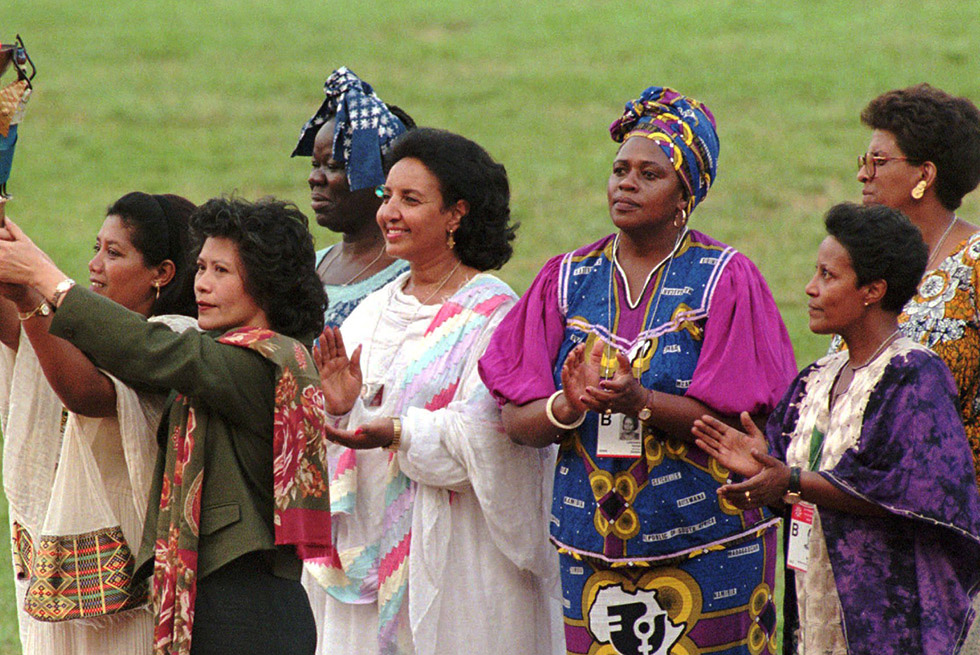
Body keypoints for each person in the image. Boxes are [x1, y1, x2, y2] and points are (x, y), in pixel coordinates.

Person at [479, 87, 798, 655]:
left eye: (649, 173)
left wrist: (640, 402)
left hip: (708, 546)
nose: (625, 183)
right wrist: (569, 405)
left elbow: (735, 420)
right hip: (591, 554)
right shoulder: (566, 278)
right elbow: (518, 422)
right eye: (619, 169)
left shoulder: (725, 279)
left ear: (686, 194)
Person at [0, 195, 333, 655]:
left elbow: (147, 349)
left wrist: (44, 278)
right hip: (221, 607)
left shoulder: (261, 361)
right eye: (200, 267)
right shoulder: (233, 355)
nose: (202, 284)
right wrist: (24, 288)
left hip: (248, 613)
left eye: (221, 271)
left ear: (266, 283)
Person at [305, 127, 563, 655]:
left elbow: (490, 435)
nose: (388, 213)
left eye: (410, 199)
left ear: (456, 214)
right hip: (366, 550)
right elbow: (344, 430)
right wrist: (341, 406)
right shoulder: (374, 310)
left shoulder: (494, 316)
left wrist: (400, 432)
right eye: (386, 196)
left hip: (458, 558)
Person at [694, 202, 980, 655]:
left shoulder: (914, 376)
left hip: (887, 622)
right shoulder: (816, 378)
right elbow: (795, 487)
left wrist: (789, 479)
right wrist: (760, 468)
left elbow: (913, 492)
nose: (810, 288)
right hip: (811, 609)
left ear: (873, 290)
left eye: (828, 276)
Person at [0, 192, 198, 655]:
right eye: (96, 247)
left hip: (139, 589)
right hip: (61, 576)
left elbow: (86, 393)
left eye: (114, 253)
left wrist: (29, 294)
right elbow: (18, 334)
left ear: (161, 274)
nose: (95, 265)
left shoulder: (177, 338)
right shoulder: (88, 327)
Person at [855, 84, 980, 488]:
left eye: (879, 161)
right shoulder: (867, 263)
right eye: (864, 160)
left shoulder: (976, 262)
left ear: (924, 175)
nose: (863, 174)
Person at [292, 66, 414, 329]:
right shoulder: (308, 266)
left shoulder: (408, 280)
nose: (315, 178)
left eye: (333, 167)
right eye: (315, 164)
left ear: (383, 178)